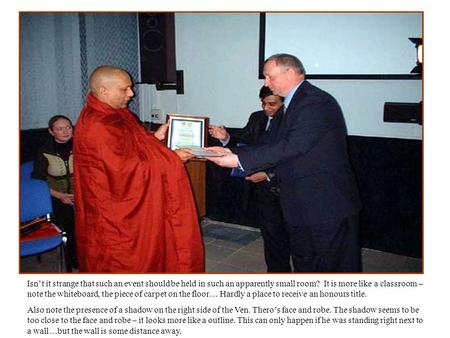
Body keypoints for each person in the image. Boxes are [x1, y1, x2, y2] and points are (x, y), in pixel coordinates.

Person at [206, 54, 362, 272]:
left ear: (290, 73)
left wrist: (239, 159)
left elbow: (292, 146)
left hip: (325, 206)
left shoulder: (315, 102)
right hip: (299, 206)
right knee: (305, 266)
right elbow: (267, 145)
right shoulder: (288, 108)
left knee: (332, 269)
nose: (265, 83)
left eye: (269, 76)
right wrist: (227, 150)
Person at [73, 65, 204, 273]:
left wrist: (154, 138)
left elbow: (129, 150)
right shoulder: (97, 125)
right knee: (125, 260)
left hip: (126, 200)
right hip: (114, 211)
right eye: (124, 89)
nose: (131, 94)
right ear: (103, 91)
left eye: (130, 88)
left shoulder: (118, 115)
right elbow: (123, 170)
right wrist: (173, 159)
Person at [209, 86, 292, 272]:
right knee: (271, 236)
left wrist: (268, 174)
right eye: (263, 104)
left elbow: (295, 156)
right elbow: (245, 144)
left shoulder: (293, 121)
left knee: (297, 239)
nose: (266, 109)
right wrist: (226, 138)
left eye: (272, 104)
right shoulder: (257, 118)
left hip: (288, 188)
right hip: (263, 190)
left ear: (285, 103)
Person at [32, 115, 78, 269]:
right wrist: (61, 196)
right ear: (51, 132)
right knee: (69, 222)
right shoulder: (45, 151)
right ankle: (74, 260)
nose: (65, 131)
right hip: (56, 196)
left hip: (83, 194)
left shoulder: (81, 145)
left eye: (68, 127)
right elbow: (38, 181)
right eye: (60, 129)